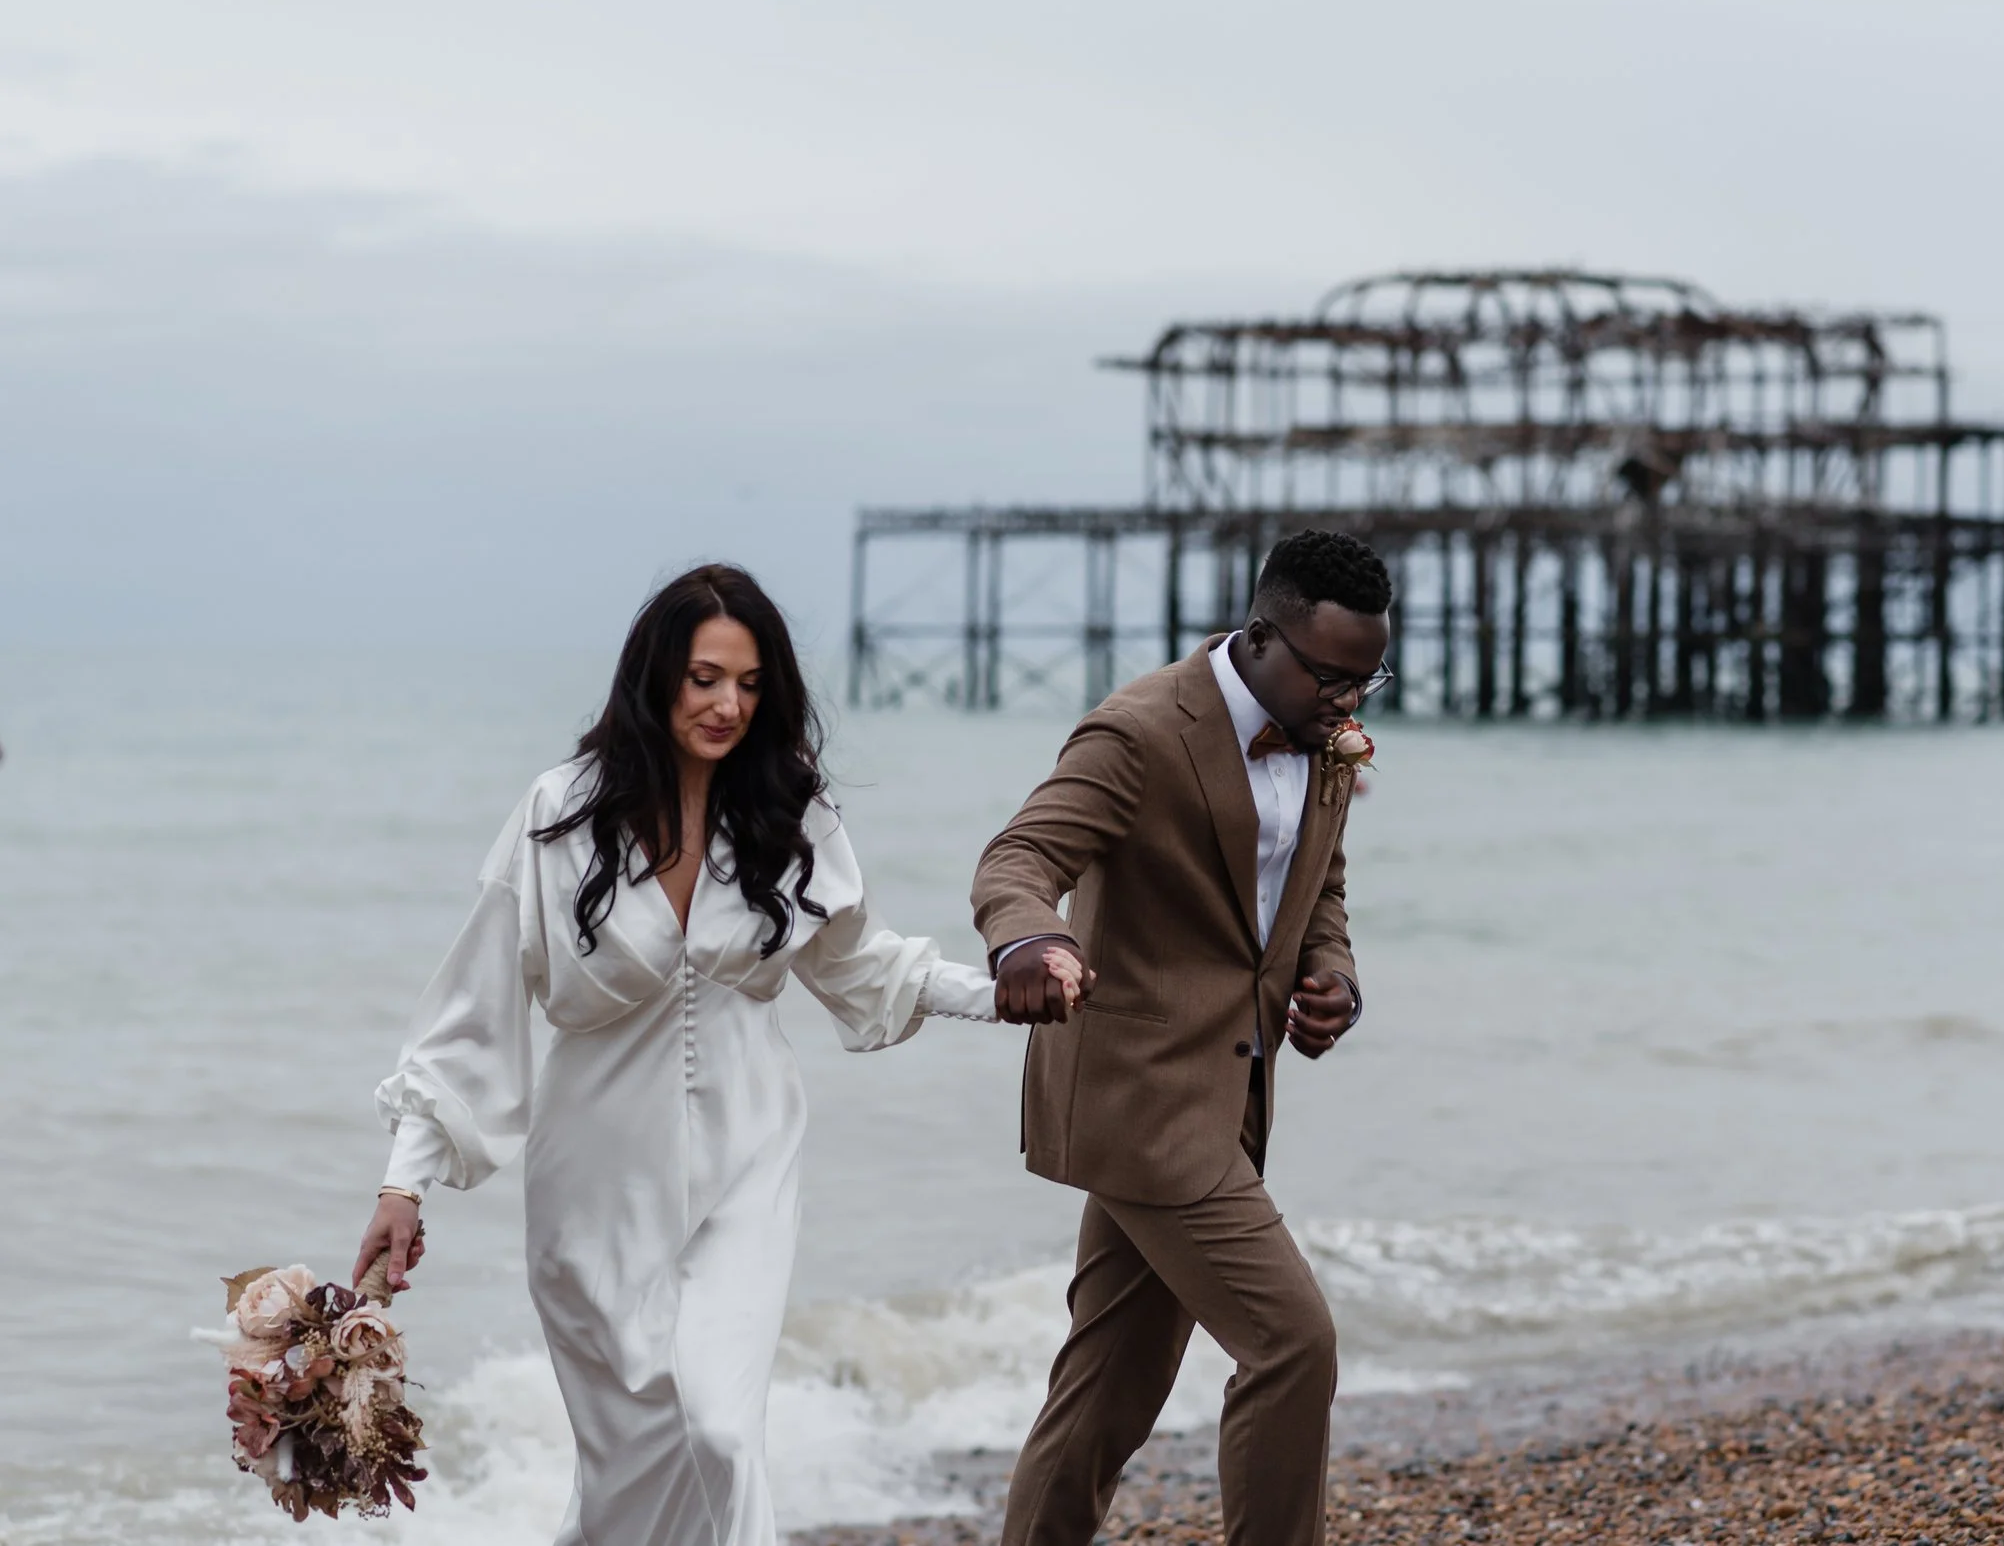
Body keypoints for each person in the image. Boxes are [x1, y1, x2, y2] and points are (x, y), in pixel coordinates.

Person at [350, 563, 999, 1546]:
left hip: (747, 1164)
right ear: (657, 677)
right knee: (630, 1471)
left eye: (747, 683)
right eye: (704, 677)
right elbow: (471, 1013)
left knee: (722, 1429)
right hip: (591, 1189)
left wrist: (1007, 995)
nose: (727, 704)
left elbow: (859, 968)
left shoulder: (790, 812)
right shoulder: (558, 813)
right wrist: (405, 1183)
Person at [976, 528, 1393, 1546]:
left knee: (1104, 1398)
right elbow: (1019, 857)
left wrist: (1328, 973)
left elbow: (1315, 885)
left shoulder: (1323, 735)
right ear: (1262, 637)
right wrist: (1029, 939)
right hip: (1141, 1095)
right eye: (1328, 676)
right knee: (1293, 1344)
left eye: (1365, 682)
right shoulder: (1139, 733)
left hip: (1226, 1097)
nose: (1345, 703)